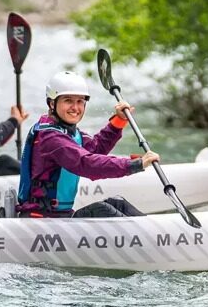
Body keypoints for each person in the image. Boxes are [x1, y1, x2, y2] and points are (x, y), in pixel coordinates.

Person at [16, 70, 158, 218]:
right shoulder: (50, 137)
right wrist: (134, 164)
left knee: (118, 203)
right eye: (68, 100)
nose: (75, 108)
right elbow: (87, 164)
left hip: (61, 216)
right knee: (103, 210)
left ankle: (156, 233)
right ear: (52, 103)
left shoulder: (69, 133)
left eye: (80, 102)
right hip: (42, 219)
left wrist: (119, 121)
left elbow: (95, 149)